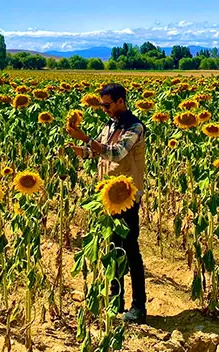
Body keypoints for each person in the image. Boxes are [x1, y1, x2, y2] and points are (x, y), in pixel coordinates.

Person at [66, 83, 147, 324]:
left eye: (107, 105)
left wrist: (86, 138)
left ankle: (139, 306)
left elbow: (116, 153)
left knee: (130, 249)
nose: (104, 109)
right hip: (108, 195)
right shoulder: (110, 125)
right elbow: (96, 153)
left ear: (121, 101)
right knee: (113, 248)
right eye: (102, 105)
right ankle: (116, 298)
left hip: (128, 195)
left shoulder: (135, 127)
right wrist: (78, 149)